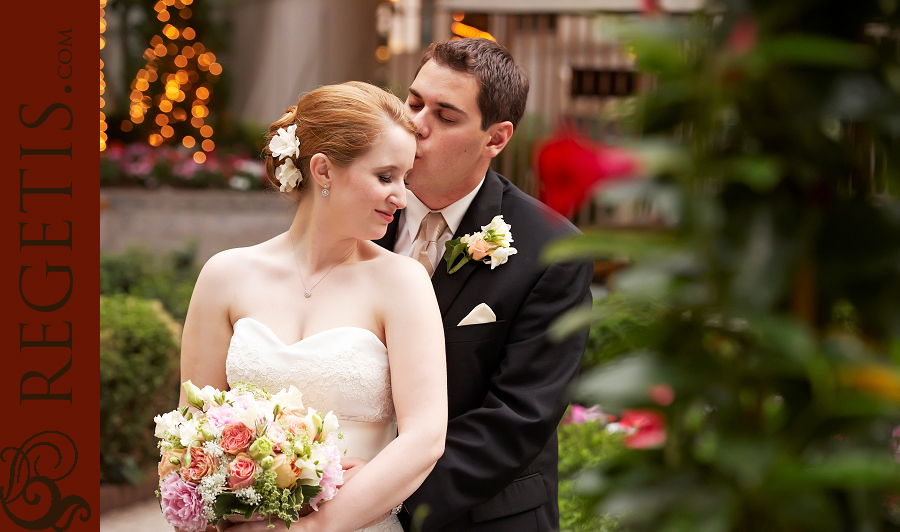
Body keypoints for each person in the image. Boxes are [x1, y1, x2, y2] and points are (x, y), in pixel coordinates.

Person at [177, 81, 447, 532]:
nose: (401, 197)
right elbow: (193, 429)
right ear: (323, 170)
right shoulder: (224, 276)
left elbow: (424, 438)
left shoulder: (403, 283)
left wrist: (306, 530)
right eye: (385, 177)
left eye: (405, 178)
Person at [373, 38, 594, 532]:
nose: (417, 126)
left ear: (495, 139)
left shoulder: (553, 251)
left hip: (481, 518)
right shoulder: (360, 214)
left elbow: (519, 415)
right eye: (413, 103)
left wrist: (379, 502)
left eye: (445, 117)